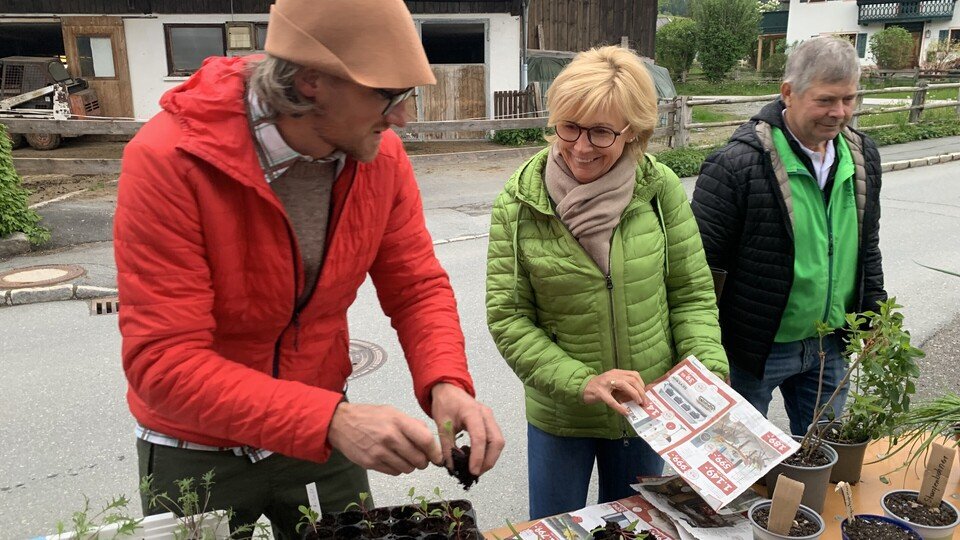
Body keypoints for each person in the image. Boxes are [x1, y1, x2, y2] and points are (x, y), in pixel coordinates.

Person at [113, 0, 504, 536]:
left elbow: (415, 287)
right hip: (196, 447)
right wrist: (330, 420)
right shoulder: (170, 159)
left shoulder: (379, 156)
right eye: (387, 95)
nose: (402, 118)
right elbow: (164, 362)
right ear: (312, 80)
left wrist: (445, 383)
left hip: (322, 436)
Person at [485, 46, 728, 520]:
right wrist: (583, 381)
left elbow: (692, 295)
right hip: (562, 415)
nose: (579, 147)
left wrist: (706, 371)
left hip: (649, 411)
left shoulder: (659, 193)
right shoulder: (518, 204)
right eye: (569, 127)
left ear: (633, 132)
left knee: (639, 528)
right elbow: (509, 317)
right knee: (555, 528)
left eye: (601, 132)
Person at [691, 37, 886, 437]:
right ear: (788, 93)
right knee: (736, 458)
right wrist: (704, 353)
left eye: (849, 99)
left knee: (821, 457)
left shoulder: (863, 156)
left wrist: (872, 315)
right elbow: (700, 270)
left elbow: (866, 245)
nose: (840, 113)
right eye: (826, 100)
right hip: (753, 350)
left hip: (829, 343)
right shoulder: (737, 165)